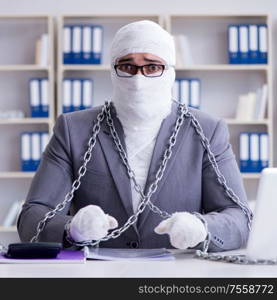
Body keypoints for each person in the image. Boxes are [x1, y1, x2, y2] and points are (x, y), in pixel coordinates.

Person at [17, 20, 252, 252]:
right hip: (96, 276)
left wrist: (202, 228)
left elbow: (240, 218)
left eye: (152, 67)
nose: (138, 80)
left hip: (178, 275)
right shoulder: (73, 129)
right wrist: (71, 228)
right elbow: (32, 217)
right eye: (127, 66)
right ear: (113, 70)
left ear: (169, 72)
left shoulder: (207, 130)